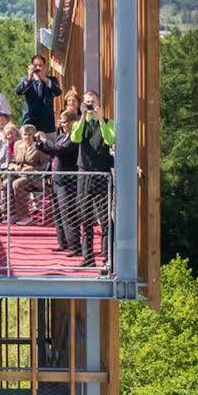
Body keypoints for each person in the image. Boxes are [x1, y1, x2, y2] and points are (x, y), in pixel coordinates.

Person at [68, 93, 117, 267]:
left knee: (105, 219)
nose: (89, 106)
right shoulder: (79, 123)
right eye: (87, 103)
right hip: (84, 174)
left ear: (99, 104)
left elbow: (110, 139)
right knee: (84, 217)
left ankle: (107, 257)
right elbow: (75, 138)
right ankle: (88, 258)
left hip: (101, 174)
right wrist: (82, 117)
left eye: (92, 103)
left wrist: (101, 119)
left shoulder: (108, 122)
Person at [36, 116, 81, 253]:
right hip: (56, 179)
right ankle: (63, 243)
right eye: (61, 121)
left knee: (68, 212)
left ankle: (74, 245)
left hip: (67, 181)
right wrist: (39, 144)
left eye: (66, 121)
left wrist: (45, 139)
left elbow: (60, 150)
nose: (63, 124)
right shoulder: (61, 136)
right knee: (58, 213)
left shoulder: (74, 138)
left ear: (74, 122)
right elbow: (52, 151)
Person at [6, 123, 49, 223]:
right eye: (25, 134)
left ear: (34, 135)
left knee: (17, 184)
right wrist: (15, 167)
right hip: (19, 174)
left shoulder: (39, 147)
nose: (27, 137)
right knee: (6, 183)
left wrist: (32, 169)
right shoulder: (17, 145)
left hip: (35, 177)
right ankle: (13, 213)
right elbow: (11, 162)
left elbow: (46, 166)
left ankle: (25, 216)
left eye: (30, 134)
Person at [16, 56, 62, 134]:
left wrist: (45, 79)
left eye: (40, 65)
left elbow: (58, 92)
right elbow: (18, 91)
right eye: (35, 65)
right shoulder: (26, 80)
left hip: (47, 124)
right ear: (31, 66)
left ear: (45, 67)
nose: (38, 68)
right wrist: (29, 77)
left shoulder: (52, 80)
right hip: (30, 122)